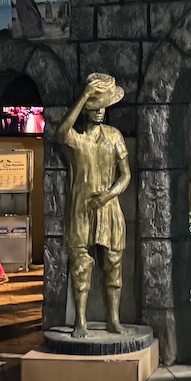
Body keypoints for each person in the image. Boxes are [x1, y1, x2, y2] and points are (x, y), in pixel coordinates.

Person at [52, 72, 132, 338]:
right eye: (94, 107)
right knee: (81, 266)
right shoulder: (77, 140)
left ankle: (113, 319)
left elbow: (126, 175)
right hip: (81, 210)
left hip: (109, 210)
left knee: (113, 265)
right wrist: (84, 95)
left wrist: (109, 195)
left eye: (103, 107)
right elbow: (61, 132)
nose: (99, 112)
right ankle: (81, 321)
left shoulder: (114, 136)